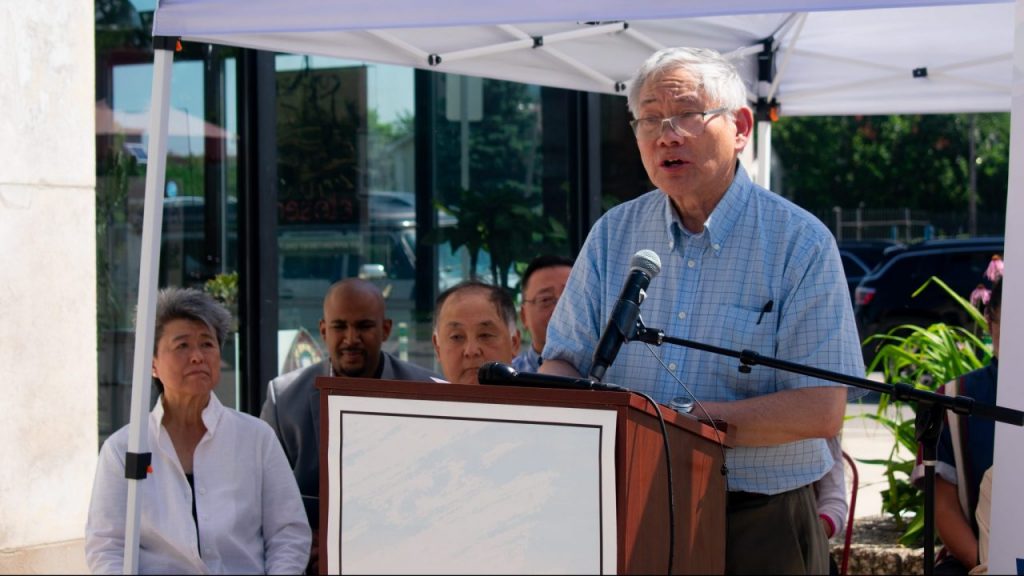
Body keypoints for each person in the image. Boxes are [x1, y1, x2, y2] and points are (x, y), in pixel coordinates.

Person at [539, 46, 864, 574]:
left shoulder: (799, 242)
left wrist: (685, 424)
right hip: (630, 502)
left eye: (686, 114)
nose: (666, 134)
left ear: (739, 127)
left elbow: (821, 408)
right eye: (649, 119)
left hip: (762, 518)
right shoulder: (612, 235)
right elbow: (563, 362)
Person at [86, 287, 311, 574]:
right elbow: (106, 545)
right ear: (152, 363)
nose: (197, 356)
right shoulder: (124, 448)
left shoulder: (256, 438)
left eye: (207, 344)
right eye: (182, 346)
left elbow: (288, 533)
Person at [261, 278, 440, 571]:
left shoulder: (426, 394)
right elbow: (265, 501)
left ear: (386, 329)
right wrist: (307, 543)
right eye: (340, 326)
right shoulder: (284, 401)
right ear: (323, 330)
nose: (351, 338)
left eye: (364, 326)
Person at [912, 275, 1001, 575]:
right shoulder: (953, 398)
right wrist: (983, 564)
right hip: (975, 561)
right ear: (989, 319)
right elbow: (942, 505)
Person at [432, 280, 521, 384]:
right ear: (437, 348)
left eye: (485, 335)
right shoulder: (415, 400)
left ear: (514, 343)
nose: (471, 351)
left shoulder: (538, 398)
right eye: (456, 337)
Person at [512, 254, 574, 373]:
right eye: (546, 299)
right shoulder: (507, 381)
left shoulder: (608, 375)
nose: (559, 310)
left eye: (569, 298)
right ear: (524, 316)